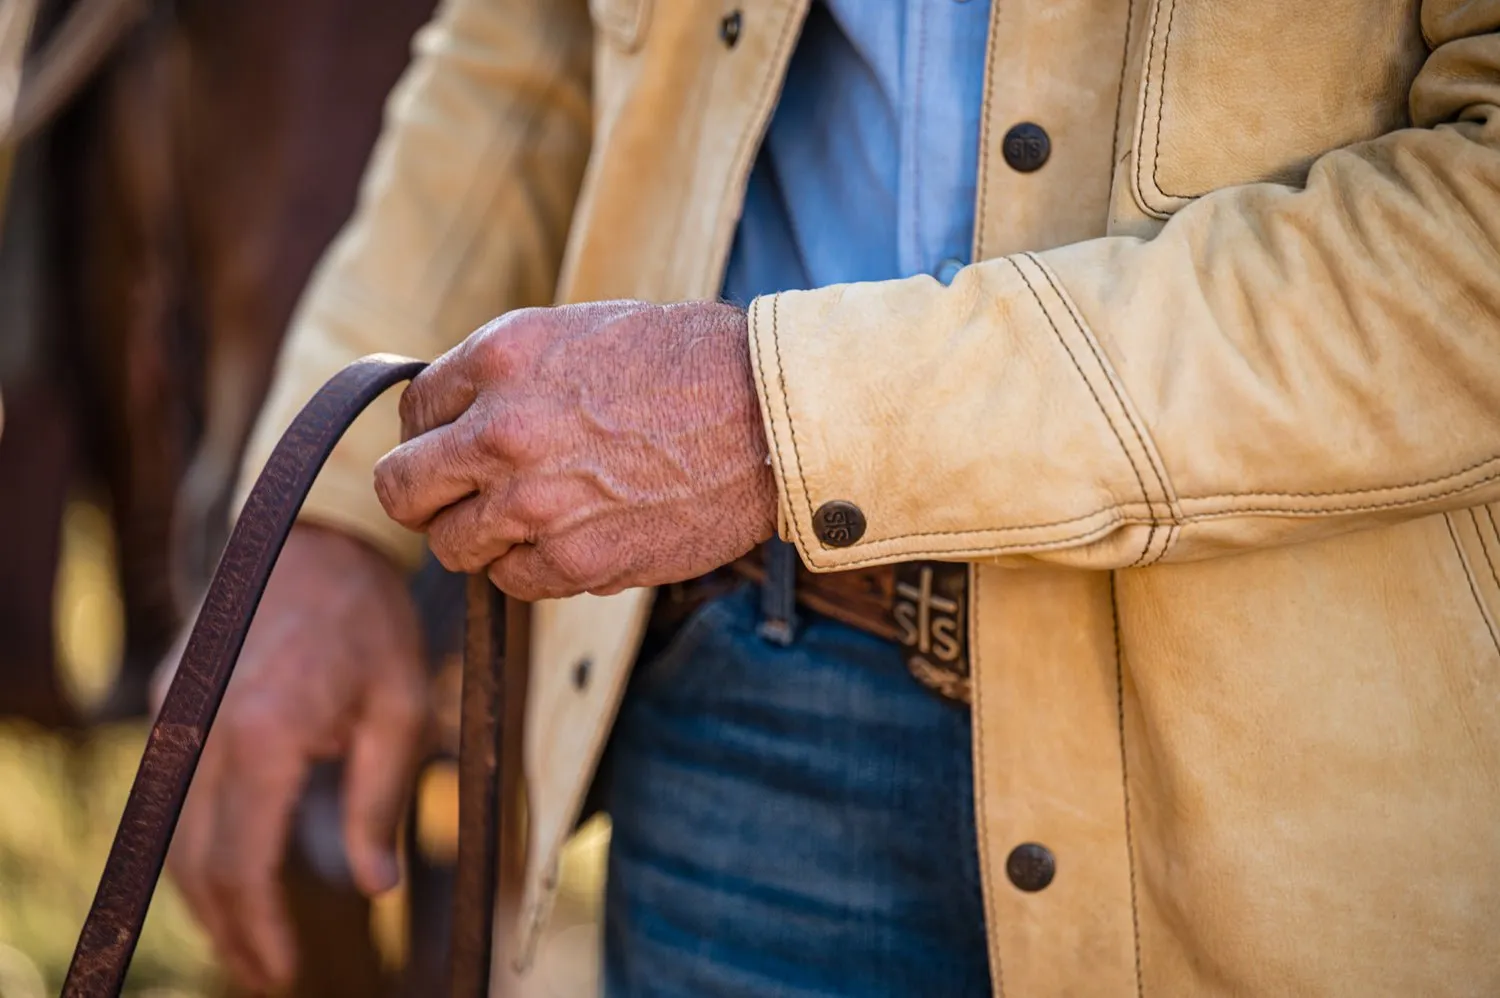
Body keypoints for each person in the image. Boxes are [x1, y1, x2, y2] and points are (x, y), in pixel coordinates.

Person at [159, 0, 1500, 995]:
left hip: (1280, 796)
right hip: (748, 713)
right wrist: (327, 525)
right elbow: (536, 44)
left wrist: (777, 413)